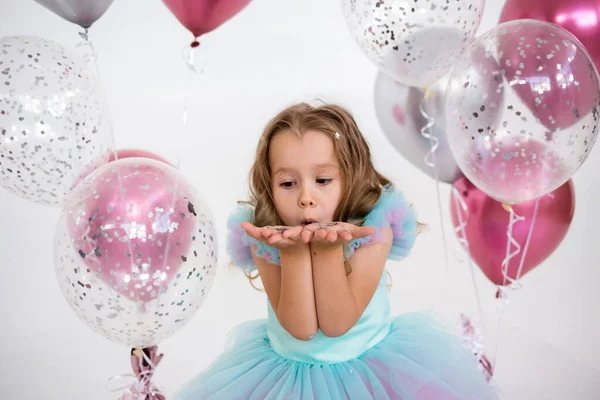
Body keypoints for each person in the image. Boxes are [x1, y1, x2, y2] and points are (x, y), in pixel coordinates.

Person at [176, 102, 498, 399]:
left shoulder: (374, 228)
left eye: (323, 179)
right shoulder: (265, 235)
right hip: (285, 375)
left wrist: (328, 251)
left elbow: (337, 324)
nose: (306, 197)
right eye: (288, 183)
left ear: (349, 176)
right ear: (270, 187)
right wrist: (294, 253)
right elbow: (300, 329)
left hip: (369, 372)